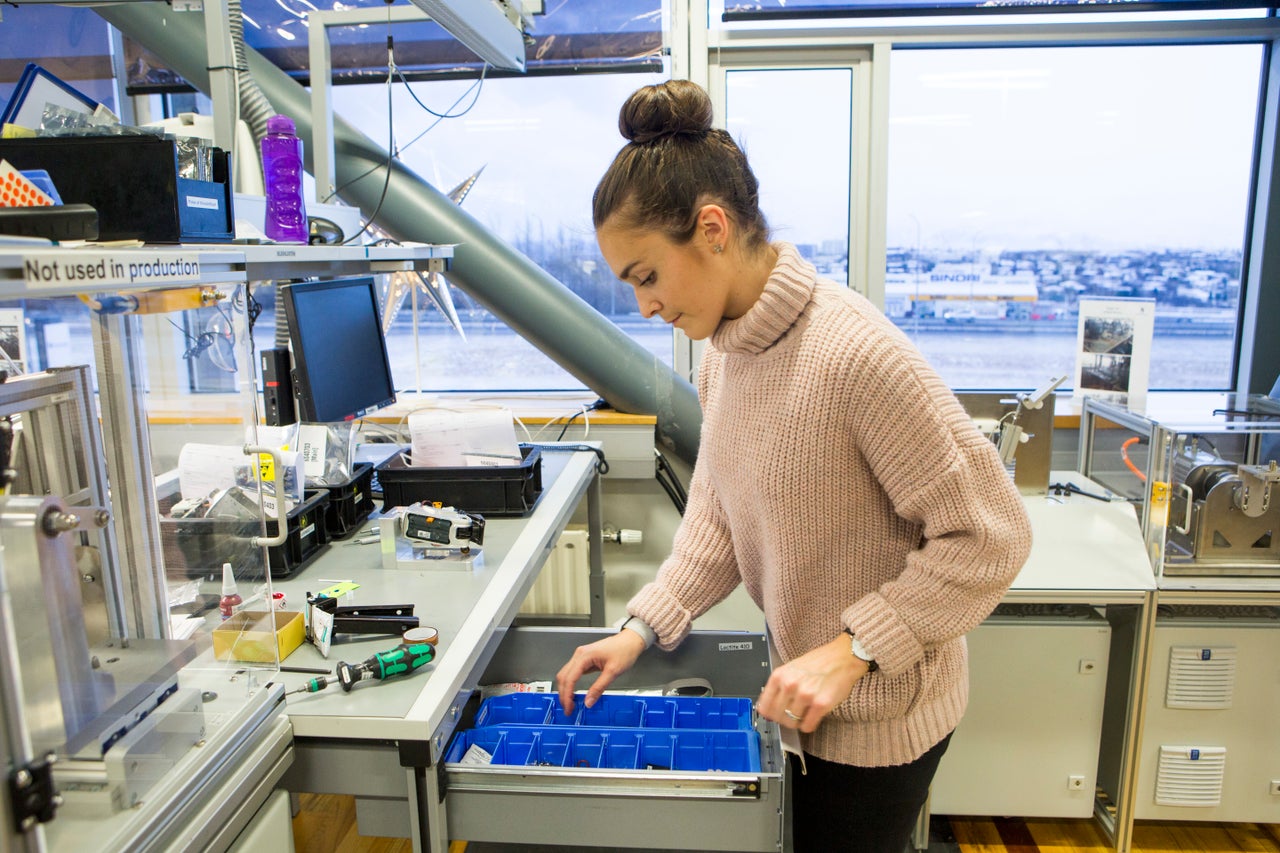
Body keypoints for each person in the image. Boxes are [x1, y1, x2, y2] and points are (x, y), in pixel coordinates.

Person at [555, 78, 1033, 853]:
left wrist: (855, 650)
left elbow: (993, 536)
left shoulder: (855, 356)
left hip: (884, 723)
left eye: (646, 275)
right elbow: (715, 510)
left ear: (711, 229)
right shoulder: (724, 354)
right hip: (808, 709)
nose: (643, 305)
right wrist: (641, 628)